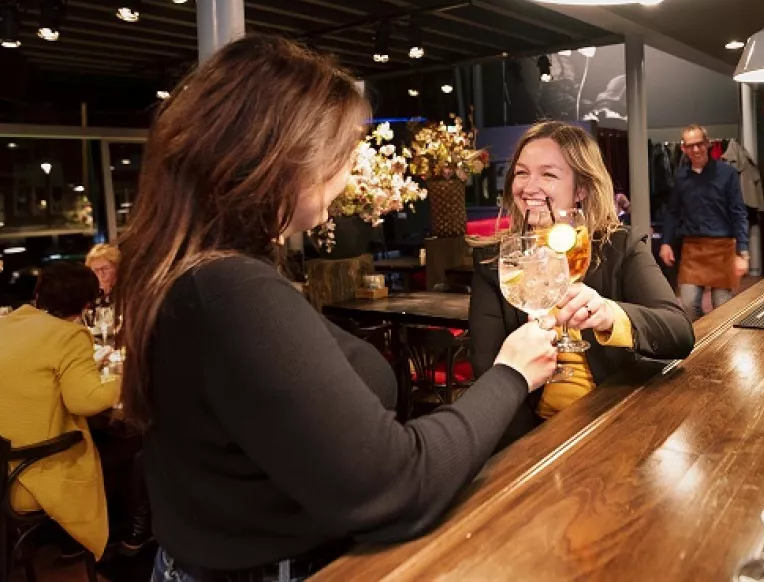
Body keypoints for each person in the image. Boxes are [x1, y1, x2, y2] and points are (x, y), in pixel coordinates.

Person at [114, 35, 559, 582]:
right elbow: (396, 485)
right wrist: (512, 374)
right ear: (281, 157)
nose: (346, 177)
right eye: (341, 157)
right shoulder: (230, 290)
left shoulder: (190, 275)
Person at [469, 121, 695, 446]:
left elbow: (679, 332)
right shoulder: (497, 261)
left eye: (548, 174)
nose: (529, 186)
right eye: (521, 173)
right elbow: (489, 372)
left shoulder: (617, 245)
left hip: (620, 424)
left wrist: (611, 315)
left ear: (580, 190)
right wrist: (529, 452)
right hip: (535, 435)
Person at [0, 262, 120, 559]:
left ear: (38, 293)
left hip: (3, 463)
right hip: (26, 475)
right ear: (86, 304)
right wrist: (127, 379)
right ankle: (93, 540)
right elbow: (86, 401)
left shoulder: (8, 324)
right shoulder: (68, 335)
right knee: (121, 449)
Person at [659, 125, 750, 321]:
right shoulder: (680, 176)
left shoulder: (727, 173)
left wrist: (743, 252)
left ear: (708, 144)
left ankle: (720, 347)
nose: (696, 150)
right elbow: (672, 212)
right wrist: (666, 242)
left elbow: (739, 213)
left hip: (722, 248)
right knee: (690, 304)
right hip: (693, 248)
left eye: (699, 144)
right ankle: (702, 339)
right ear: (683, 149)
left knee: (722, 307)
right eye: (690, 146)